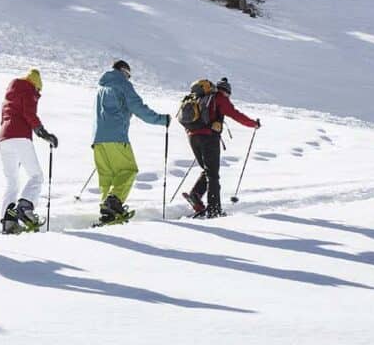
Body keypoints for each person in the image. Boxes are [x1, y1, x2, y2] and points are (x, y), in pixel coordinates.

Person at [91, 59, 168, 224]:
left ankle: (107, 211)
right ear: (124, 71)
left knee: (108, 176)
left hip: (98, 139)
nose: (128, 78)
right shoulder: (122, 83)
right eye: (128, 75)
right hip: (116, 136)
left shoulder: (102, 86)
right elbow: (138, 108)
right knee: (128, 170)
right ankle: (114, 201)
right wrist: (161, 120)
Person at [184, 76, 260, 219]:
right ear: (226, 92)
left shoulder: (203, 98)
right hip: (208, 138)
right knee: (213, 174)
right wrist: (253, 124)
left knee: (208, 170)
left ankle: (195, 195)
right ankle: (214, 210)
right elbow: (236, 115)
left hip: (192, 137)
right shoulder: (220, 98)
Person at [0, 68, 58, 234]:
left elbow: (5, 117)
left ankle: (8, 221)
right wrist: (43, 133)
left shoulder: (10, 93)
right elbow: (29, 113)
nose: (38, 93)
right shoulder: (28, 90)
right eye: (39, 90)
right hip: (20, 137)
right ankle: (25, 207)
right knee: (36, 176)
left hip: (3, 140)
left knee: (12, 182)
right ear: (36, 85)